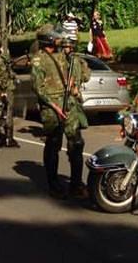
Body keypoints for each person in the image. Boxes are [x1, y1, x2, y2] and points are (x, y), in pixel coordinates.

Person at [31, 24, 88, 199]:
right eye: (55, 36)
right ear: (48, 39)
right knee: (53, 143)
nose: (59, 38)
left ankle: (76, 184)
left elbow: (76, 74)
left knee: (76, 144)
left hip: (68, 103)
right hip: (51, 107)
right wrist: (54, 106)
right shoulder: (38, 60)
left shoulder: (63, 56)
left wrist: (72, 85)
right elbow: (38, 88)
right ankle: (53, 184)